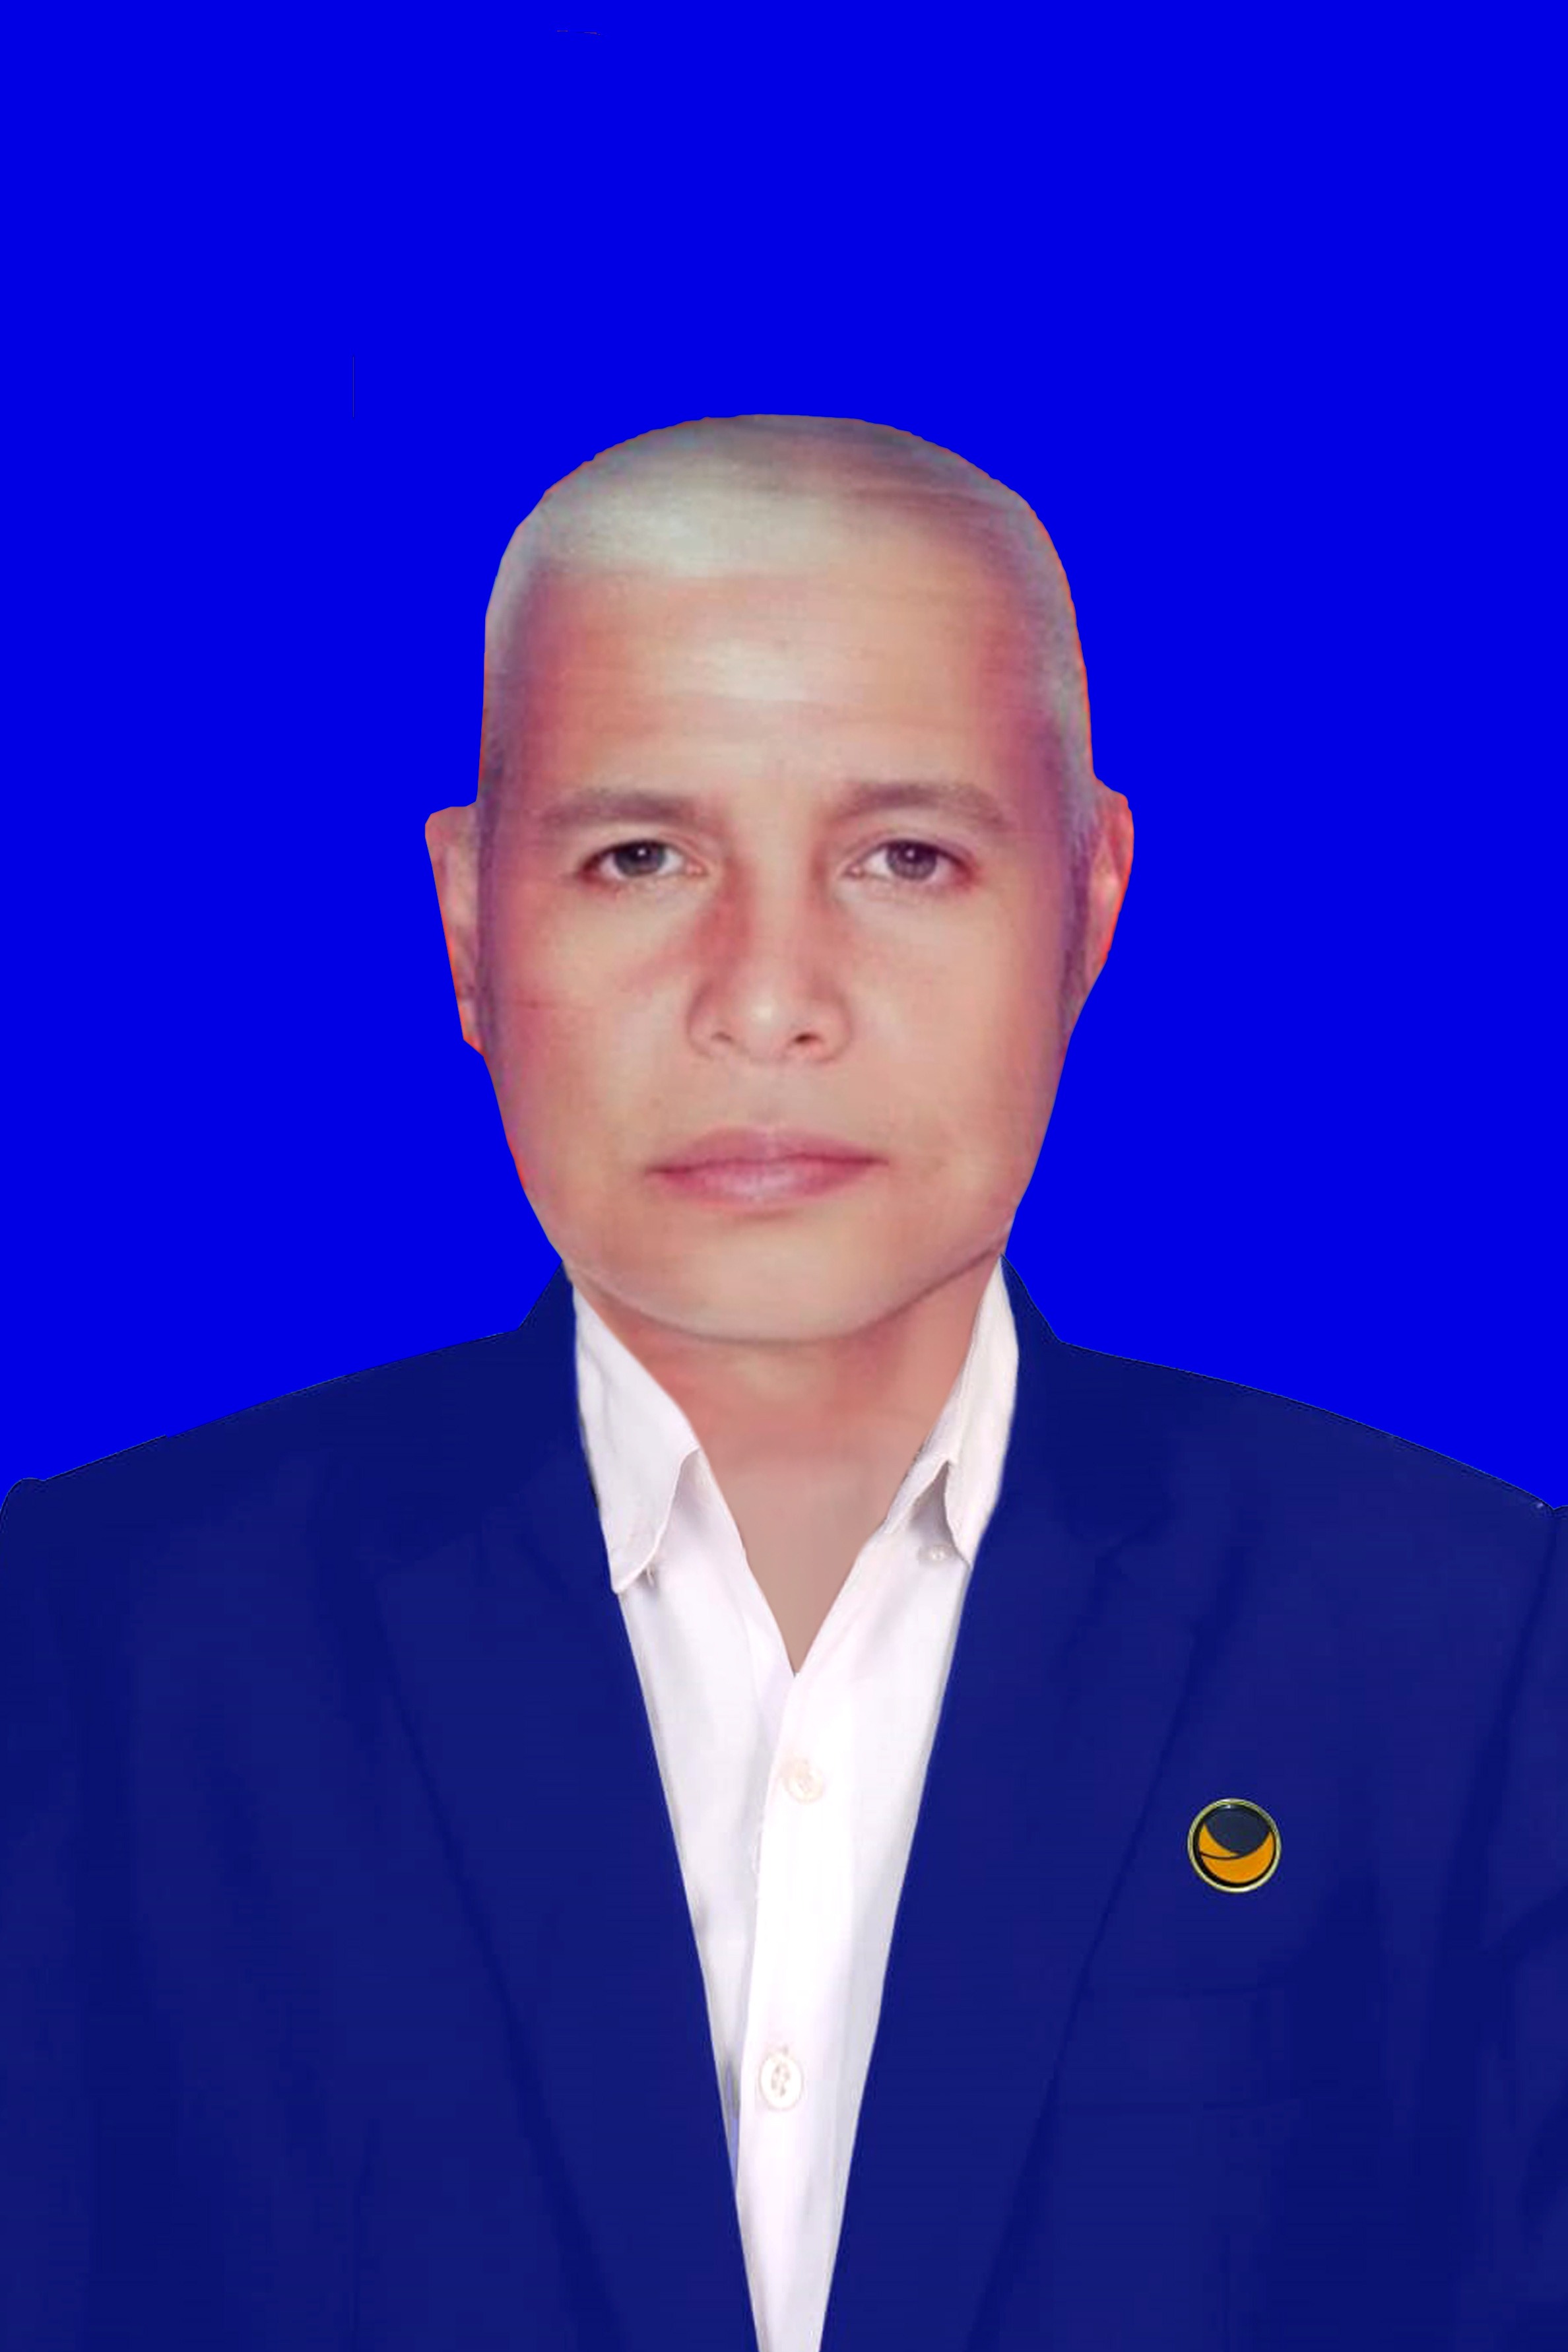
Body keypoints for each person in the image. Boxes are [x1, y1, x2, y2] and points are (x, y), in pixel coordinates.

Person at [0, 415, 1561, 2352]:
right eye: (641, 856)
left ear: (1088, 903)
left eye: (906, 856)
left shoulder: (1463, 1647)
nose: (764, 998)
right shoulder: (95, 1646)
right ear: (471, 922)